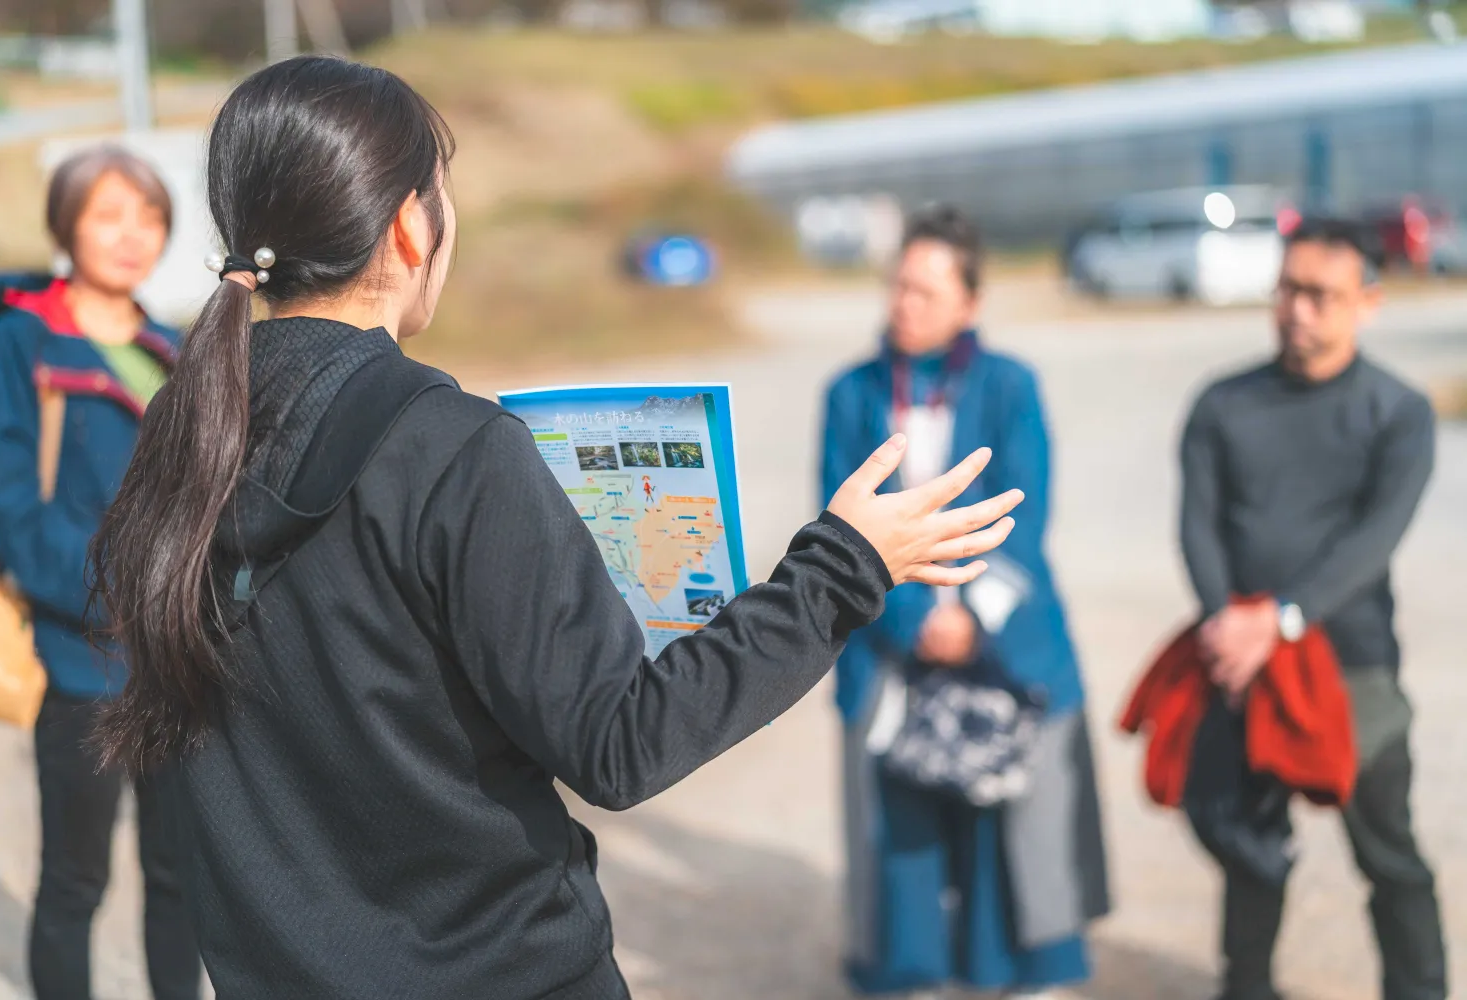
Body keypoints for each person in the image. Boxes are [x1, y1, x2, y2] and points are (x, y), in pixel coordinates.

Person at [86, 57, 1024, 1000]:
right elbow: (621, 743)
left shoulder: (178, 439)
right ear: (412, 225)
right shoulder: (454, 451)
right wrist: (842, 569)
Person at [822, 206, 1110, 1000]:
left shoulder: (1011, 386)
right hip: (891, 636)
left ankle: (1023, 975)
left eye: (922, 289)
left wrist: (971, 616)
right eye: (896, 287)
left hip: (1006, 635)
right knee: (899, 835)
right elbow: (836, 523)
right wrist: (917, 621)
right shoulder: (850, 393)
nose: (901, 304)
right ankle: (906, 974)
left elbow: (1028, 513)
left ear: (969, 303)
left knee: (1017, 830)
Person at [1179, 217, 1445, 1000]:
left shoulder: (1398, 411)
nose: (1299, 309)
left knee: (1388, 852)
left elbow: (1372, 543)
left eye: (1321, 295)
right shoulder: (1221, 405)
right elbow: (1199, 526)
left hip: (1351, 660)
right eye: (1288, 289)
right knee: (1249, 845)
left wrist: (1282, 619)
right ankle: (1247, 986)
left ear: (1368, 301)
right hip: (1239, 656)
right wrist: (1227, 624)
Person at [0, 148, 201, 1000]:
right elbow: (9, 504)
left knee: (182, 885)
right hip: (82, 660)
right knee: (75, 883)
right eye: (109, 214)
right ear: (66, 224)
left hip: (177, 664)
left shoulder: (171, 345)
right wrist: (119, 596)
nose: (132, 236)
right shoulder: (20, 342)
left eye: (148, 217)